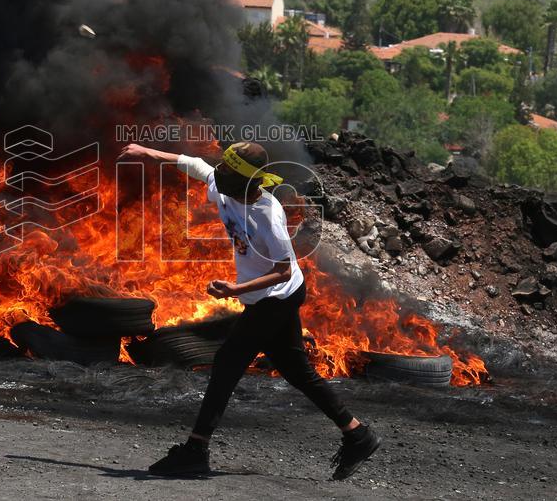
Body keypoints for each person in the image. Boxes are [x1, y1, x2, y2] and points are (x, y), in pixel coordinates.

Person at [117, 141, 381, 480]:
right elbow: (197, 166)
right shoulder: (226, 186)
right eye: (223, 168)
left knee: (227, 362)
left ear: (246, 182)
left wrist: (234, 290)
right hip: (270, 297)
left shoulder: (266, 215)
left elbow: (284, 269)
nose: (219, 175)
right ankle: (357, 434)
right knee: (296, 371)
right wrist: (149, 153)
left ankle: (195, 450)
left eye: (227, 171)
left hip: (277, 297)